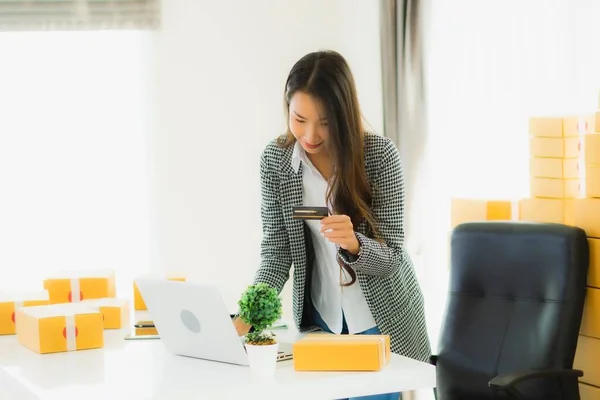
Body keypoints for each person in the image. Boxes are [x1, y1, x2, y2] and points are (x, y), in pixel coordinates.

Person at [234, 50, 431, 400]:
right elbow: (276, 251)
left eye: (324, 122)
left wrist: (355, 244)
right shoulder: (276, 162)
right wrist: (249, 314)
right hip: (320, 321)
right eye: (300, 118)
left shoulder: (380, 157)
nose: (310, 135)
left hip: (379, 321)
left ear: (343, 115)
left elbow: (393, 258)